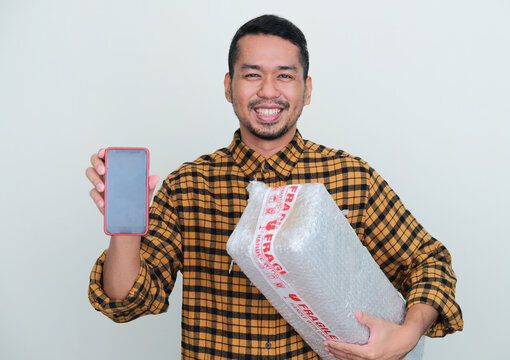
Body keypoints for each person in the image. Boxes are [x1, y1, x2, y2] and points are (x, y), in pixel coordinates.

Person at [86, 14, 463, 360]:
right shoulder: (188, 186)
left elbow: (430, 264)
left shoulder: (352, 178)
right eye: (252, 75)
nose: (268, 91)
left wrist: (407, 335)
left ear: (307, 88)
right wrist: (123, 228)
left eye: (285, 75)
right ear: (228, 86)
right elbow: (126, 302)